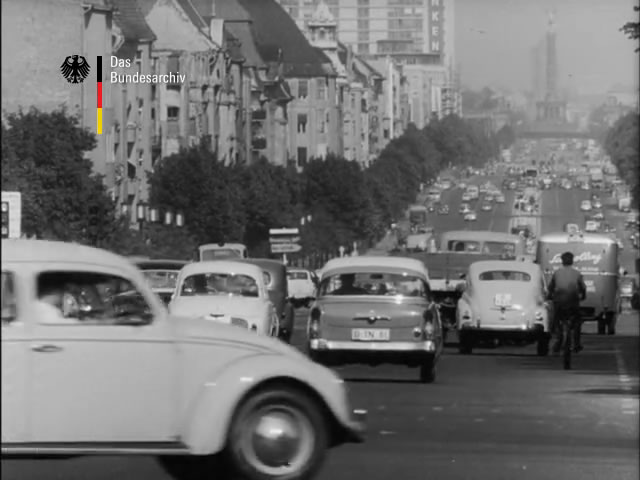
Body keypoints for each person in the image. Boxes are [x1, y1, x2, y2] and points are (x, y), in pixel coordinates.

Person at [547, 251, 587, 354]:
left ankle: (557, 340)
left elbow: (551, 287)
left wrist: (549, 296)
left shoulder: (557, 273)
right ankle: (577, 343)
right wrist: (583, 296)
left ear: (562, 261)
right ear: (572, 261)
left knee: (556, 320)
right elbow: (583, 287)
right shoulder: (576, 273)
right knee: (577, 321)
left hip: (559, 302)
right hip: (573, 302)